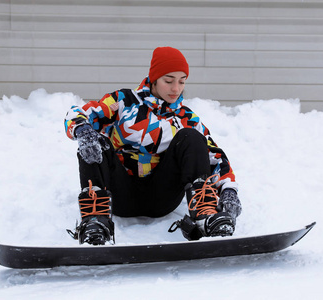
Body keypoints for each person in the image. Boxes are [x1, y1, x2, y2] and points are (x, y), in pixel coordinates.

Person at [64, 47, 242, 245]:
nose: (176, 88)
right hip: (119, 193)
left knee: (192, 136)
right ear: (154, 78)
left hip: (162, 197)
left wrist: (229, 191)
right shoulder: (124, 101)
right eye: (169, 80)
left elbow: (214, 156)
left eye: (182, 81)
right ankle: (95, 222)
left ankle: (203, 216)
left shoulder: (185, 118)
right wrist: (82, 131)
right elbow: (78, 113)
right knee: (95, 141)